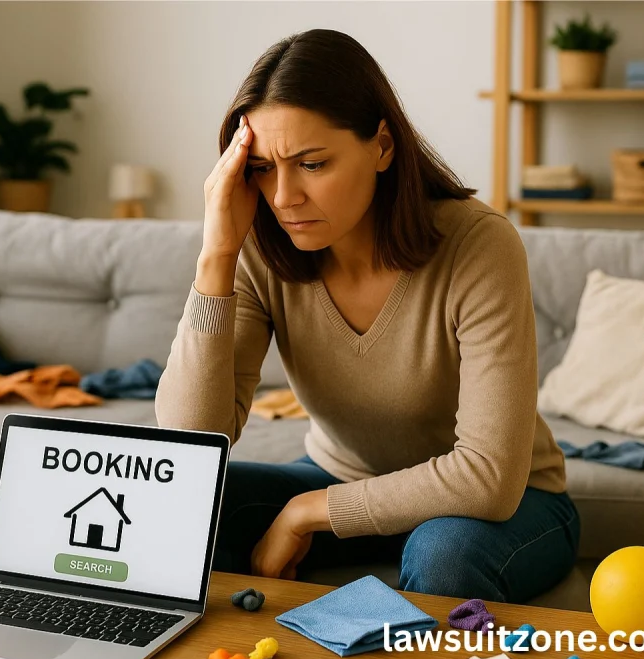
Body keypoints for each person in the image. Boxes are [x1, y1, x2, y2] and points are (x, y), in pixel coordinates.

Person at [154, 28, 579, 603]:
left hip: (509, 504)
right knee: (181, 507)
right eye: (261, 167)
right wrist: (216, 256)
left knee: (443, 556)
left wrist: (310, 511)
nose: (282, 197)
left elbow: (488, 477)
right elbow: (189, 448)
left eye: (311, 164)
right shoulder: (257, 250)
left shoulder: (480, 246)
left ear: (381, 146)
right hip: (341, 475)